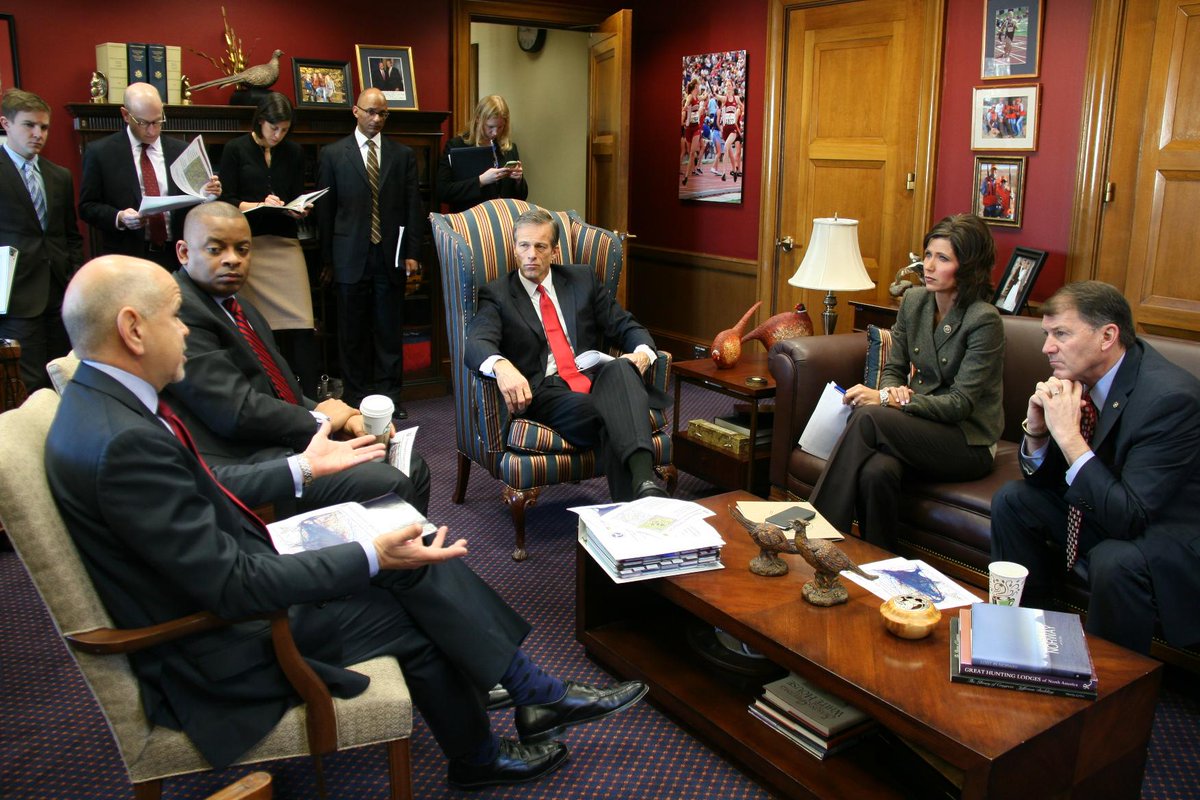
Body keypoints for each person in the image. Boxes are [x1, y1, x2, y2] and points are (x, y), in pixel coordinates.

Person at [45, 253, 648, 788]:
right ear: (132, 329)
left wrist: (305, 472)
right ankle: (507, 724)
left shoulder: (106, 409)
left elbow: (207, 495)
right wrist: (369, 555)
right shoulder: (123, 442)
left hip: (228, 588)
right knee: (407, 587)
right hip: (219, 649)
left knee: (406, 561)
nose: (185, 330)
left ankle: (518, 708)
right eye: (175, 317)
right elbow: (232, 585)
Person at [165, 201, 428, 518]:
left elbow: (280, 391)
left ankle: (401, 551)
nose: (232, 259)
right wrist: (322, 421)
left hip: (277, 437)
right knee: (391, 481)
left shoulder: (239, 306)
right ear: (184, 252)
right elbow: (236, 412)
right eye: (215, 249)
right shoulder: (180, 311)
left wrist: (339, 417)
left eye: (242, 249)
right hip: (245, 461)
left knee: (411, 465)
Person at [991, 281, 1200, 654]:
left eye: (1061, 334)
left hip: (1166, 532)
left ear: (1107, 336)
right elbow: (1047, 481)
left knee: (1113, 559)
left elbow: (1131, 516)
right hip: (1110, 507)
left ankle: (1111, 678)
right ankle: (1030, 638)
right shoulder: (1079, 379)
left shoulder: (1169, 399)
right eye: (1046, 334)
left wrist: (1068, 436)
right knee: (1014, 500)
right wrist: (1037, 432)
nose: (1047, 347)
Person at [809, 213, 1005, 548]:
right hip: (920, 425)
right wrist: (891, 388)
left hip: (966, 442)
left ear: (968, 267)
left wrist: (889, 399)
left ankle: (815, 535)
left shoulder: (984, 320)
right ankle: (878, 564)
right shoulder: (915, 302)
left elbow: (960, 404)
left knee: (869, 416)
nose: (929, 266)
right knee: (876, 472)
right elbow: (894, 367)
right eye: (927, 254)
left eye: (943, 258)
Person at [464, 208, 669, 502]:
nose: (531, 254)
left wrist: (643, 353)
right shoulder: (498, 294)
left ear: (555, 251)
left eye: (540, 246)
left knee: (622, 368)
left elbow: (625, 325)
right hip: (548, 391)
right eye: (524, 245)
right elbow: (476, 341)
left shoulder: (581, 279)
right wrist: (501, 365)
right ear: (515, 248)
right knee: (613, 412)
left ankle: (637, 495)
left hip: (594, 377)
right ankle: (644, 486)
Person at [317, 88, 423, 417]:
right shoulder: (333, 155)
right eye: (371, 112)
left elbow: (413, 207)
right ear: (356, 111)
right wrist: (327, 260)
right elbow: (325, 212)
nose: (376, 119)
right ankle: (356, 397)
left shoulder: (402, 155)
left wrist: (412, 252)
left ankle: (390, 397)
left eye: (383, 113)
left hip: (390, 254)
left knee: (389, 329)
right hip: (348, 255)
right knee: (352, 332)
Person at [218, 92, 318, 395]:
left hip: (285, 243)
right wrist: (258, 204)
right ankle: (267, 394)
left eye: (284, 129)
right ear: (260, 121)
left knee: (302, 322)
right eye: (274, 128)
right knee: (255, 328)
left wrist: (297, 208)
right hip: (249, 245)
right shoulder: (235, 149)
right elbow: (227, 201)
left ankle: (309, 397)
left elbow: (295, 195)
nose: (278, 135)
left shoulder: (294, 152)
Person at [78, 83, 221, 271]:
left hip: (177, 255)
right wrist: (119, 217)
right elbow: (87, 206)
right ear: (125, 115)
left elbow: (195, 201)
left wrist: (209, 195)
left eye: (157, 122)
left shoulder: (182, 151)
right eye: (143, 123)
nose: (152, 130)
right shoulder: (100, 153)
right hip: (128, 255)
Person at [0, 89, 84, 391]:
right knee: (30, 383)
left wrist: (73, 276)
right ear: (6, 124)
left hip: (59, 292)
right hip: (17, 297)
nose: (38, 134)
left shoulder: (58, 175)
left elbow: (70, 234)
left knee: (66, 374)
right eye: (29, 125)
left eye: (44, 127)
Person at [436, 94, 528, 213]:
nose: (495, 133)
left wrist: (519, 180)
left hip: (503, 217)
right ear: (478, 119)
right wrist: (480, 181)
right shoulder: (456, 146)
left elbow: (521, 197)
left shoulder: (509, 148)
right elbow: (443, 192)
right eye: (490, 127)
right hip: (470, 218)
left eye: (500, 127)